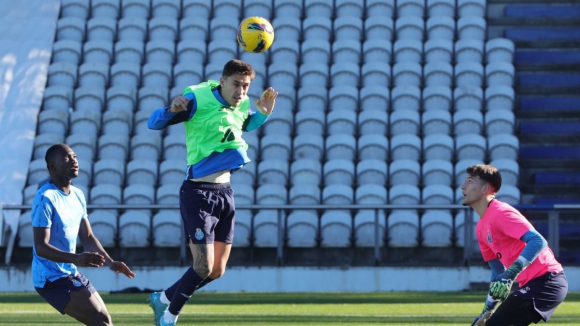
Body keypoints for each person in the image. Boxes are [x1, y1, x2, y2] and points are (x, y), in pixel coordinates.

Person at [146, 59, 277, 326]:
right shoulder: (198, 99)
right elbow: (153, 123)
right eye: (237, 84)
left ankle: (163, 299)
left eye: (246, 85)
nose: (241, 91)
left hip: (225, 193)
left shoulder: (240, 104)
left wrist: (261, 114)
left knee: (216, 270)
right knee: (202, 266)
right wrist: (171, 109)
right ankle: (168, 317)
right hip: (198, 194)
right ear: (223, 81)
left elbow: (241, 127)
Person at [32, 143, 135, 325]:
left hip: (70, 272)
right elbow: (41, 247)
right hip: (50, 278)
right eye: (67, 158)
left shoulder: (78, 195)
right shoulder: (45, 198)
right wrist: (75, 258)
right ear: (52, 166)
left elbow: (87, 237)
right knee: (100, 322)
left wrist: (110, 262)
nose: (74, 161)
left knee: (104, 318)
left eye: (75, 157)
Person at [461, 164, 568, 326]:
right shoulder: (480, 227)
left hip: (547, 281)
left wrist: (511, 273)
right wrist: (488, 310)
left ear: (485, 189)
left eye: (469, 181)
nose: (462, 186)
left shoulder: (501, 213)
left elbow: (538, 241)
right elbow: (498, 274)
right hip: (533, 284)